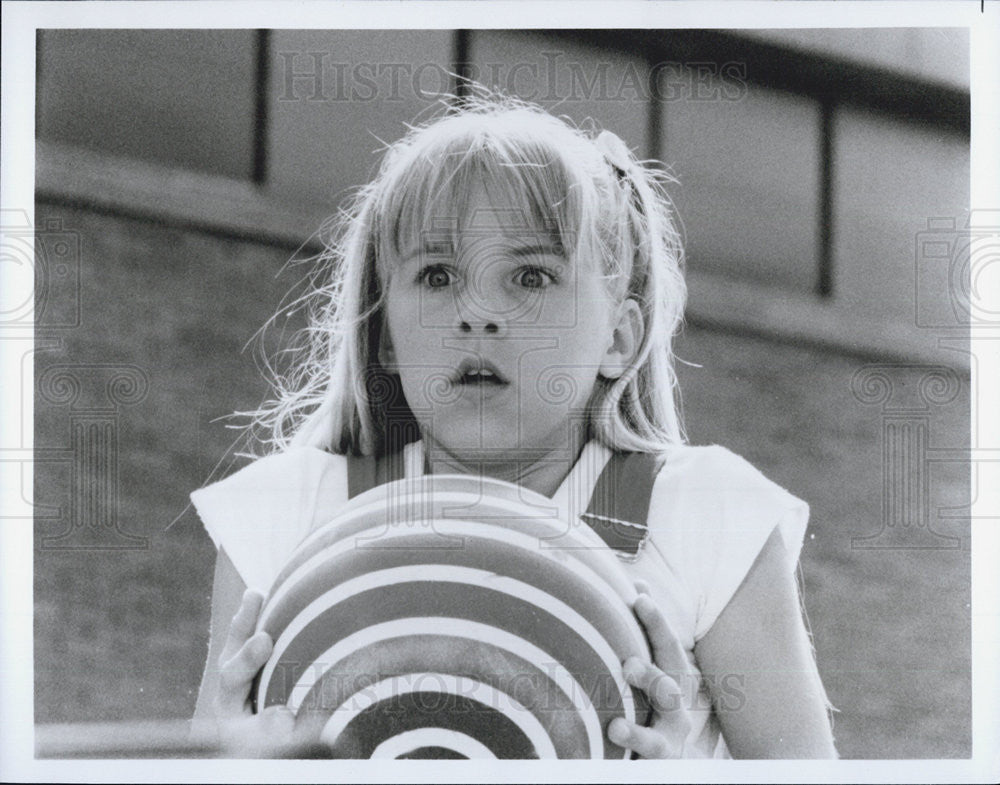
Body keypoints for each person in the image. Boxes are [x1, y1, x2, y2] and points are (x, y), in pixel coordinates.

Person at [189, 93, 837, 759]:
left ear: (619, 336)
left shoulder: (702, 513)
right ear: (384, 334)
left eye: (531, 275)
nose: (478, 313)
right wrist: (230, 759)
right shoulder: (289, 511)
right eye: (438, 275)